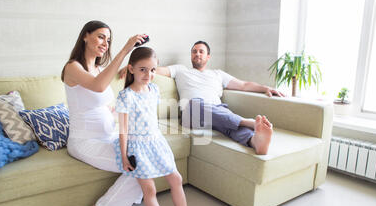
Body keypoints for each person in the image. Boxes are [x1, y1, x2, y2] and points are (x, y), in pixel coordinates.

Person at [62, 20, 148, 206]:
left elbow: (101, 99)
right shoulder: (72, 67)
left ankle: (120, 205)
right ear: (85, 36)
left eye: (108, 40)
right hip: (85, 142)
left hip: (108, 134)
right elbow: (98, 85)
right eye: (101, 36)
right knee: (140, 166)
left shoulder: (99, 68)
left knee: (148, 156)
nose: (105, 43)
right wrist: (126, 48)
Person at [121, 41, 285, 155]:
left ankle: (255, 142)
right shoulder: (181, 69)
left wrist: (266, 88)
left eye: (201, 51)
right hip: (192, 113)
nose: (197, 54)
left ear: (208, 57)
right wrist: (130, 69)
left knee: (229, 125)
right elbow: (155, 69)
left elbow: (243, 85)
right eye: (194, 51)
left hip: (218, 112)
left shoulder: (218, 74)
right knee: (194, 104)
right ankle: (246, 122)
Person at [114, 47, 204, 206]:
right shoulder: (126, 96)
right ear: (131, 69)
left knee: (176, 179)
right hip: (137, 147)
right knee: (150, 189)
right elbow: (123, 129)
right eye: (143, 69)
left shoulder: (154, 89)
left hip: (156, 142)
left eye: (153, 70)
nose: (149, 75)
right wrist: (124, 156)